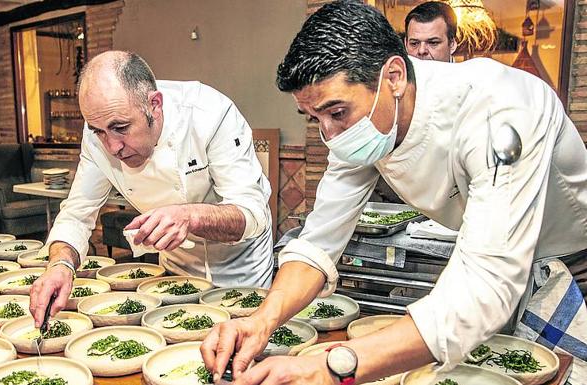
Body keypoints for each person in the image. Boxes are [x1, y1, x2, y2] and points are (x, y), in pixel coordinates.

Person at [201, 1, 587, 384]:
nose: (330, 135)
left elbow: (488, 283)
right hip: (493, 276)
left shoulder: (500, 109)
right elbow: (319, 242)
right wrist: (261, 319)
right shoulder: (362, 124)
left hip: (570, 271)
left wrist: (333, 367)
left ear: (395, 77)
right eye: (314, 118)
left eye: (336, 113)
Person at [29, 51, 274, 326]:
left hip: (241, 265)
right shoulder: (98, 132)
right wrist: (60, 265)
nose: (112, 147)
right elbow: (77, 214)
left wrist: (188, 216)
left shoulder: (209, 114)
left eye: (121, 128)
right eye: (99, 131)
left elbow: (252, 215)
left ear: (155, 105)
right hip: (177, 266)